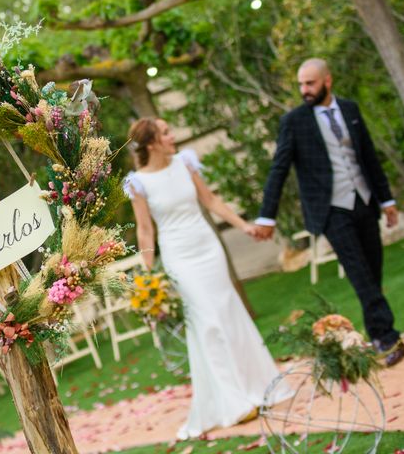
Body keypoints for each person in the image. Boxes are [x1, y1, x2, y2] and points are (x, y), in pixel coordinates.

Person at [124, 118, 292, 440]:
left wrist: (244, 226)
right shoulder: (138, 183)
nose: (173, 136)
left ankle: (260, 387)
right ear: (152, 144)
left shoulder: (186, 163)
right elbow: (145, 230)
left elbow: (211, 201)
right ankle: (234, 402)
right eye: (166, 133)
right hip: (179, 257)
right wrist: (147, 276)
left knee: (229, 313)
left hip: (207, 248)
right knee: (208, 323)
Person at [254, 58, 404, 367]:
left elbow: (369, 158)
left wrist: (386, 200)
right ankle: (386, 337)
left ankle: (378, 330)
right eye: (300, 84)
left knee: (372, 272)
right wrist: (266, 216)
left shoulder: (349, 109)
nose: (304, 90)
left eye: (309, 83)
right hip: (331, 210)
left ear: (327, 81)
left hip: (364, 201)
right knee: (359, 273)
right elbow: (279, 168)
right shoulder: (295, 121)